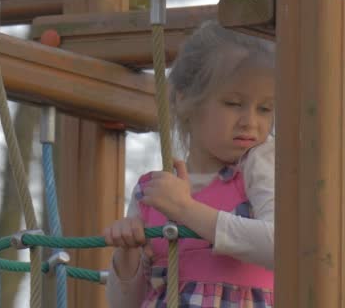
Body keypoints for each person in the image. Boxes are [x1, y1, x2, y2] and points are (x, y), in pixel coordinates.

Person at [104, 20, 276, 308]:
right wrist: (127, 253)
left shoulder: (258, 166)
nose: (251, 121)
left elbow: (280, 244)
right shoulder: (153, 190)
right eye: (233, 103)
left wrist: (186, 209)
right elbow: (125, 304)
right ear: (185, 100)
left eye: (265, 109)